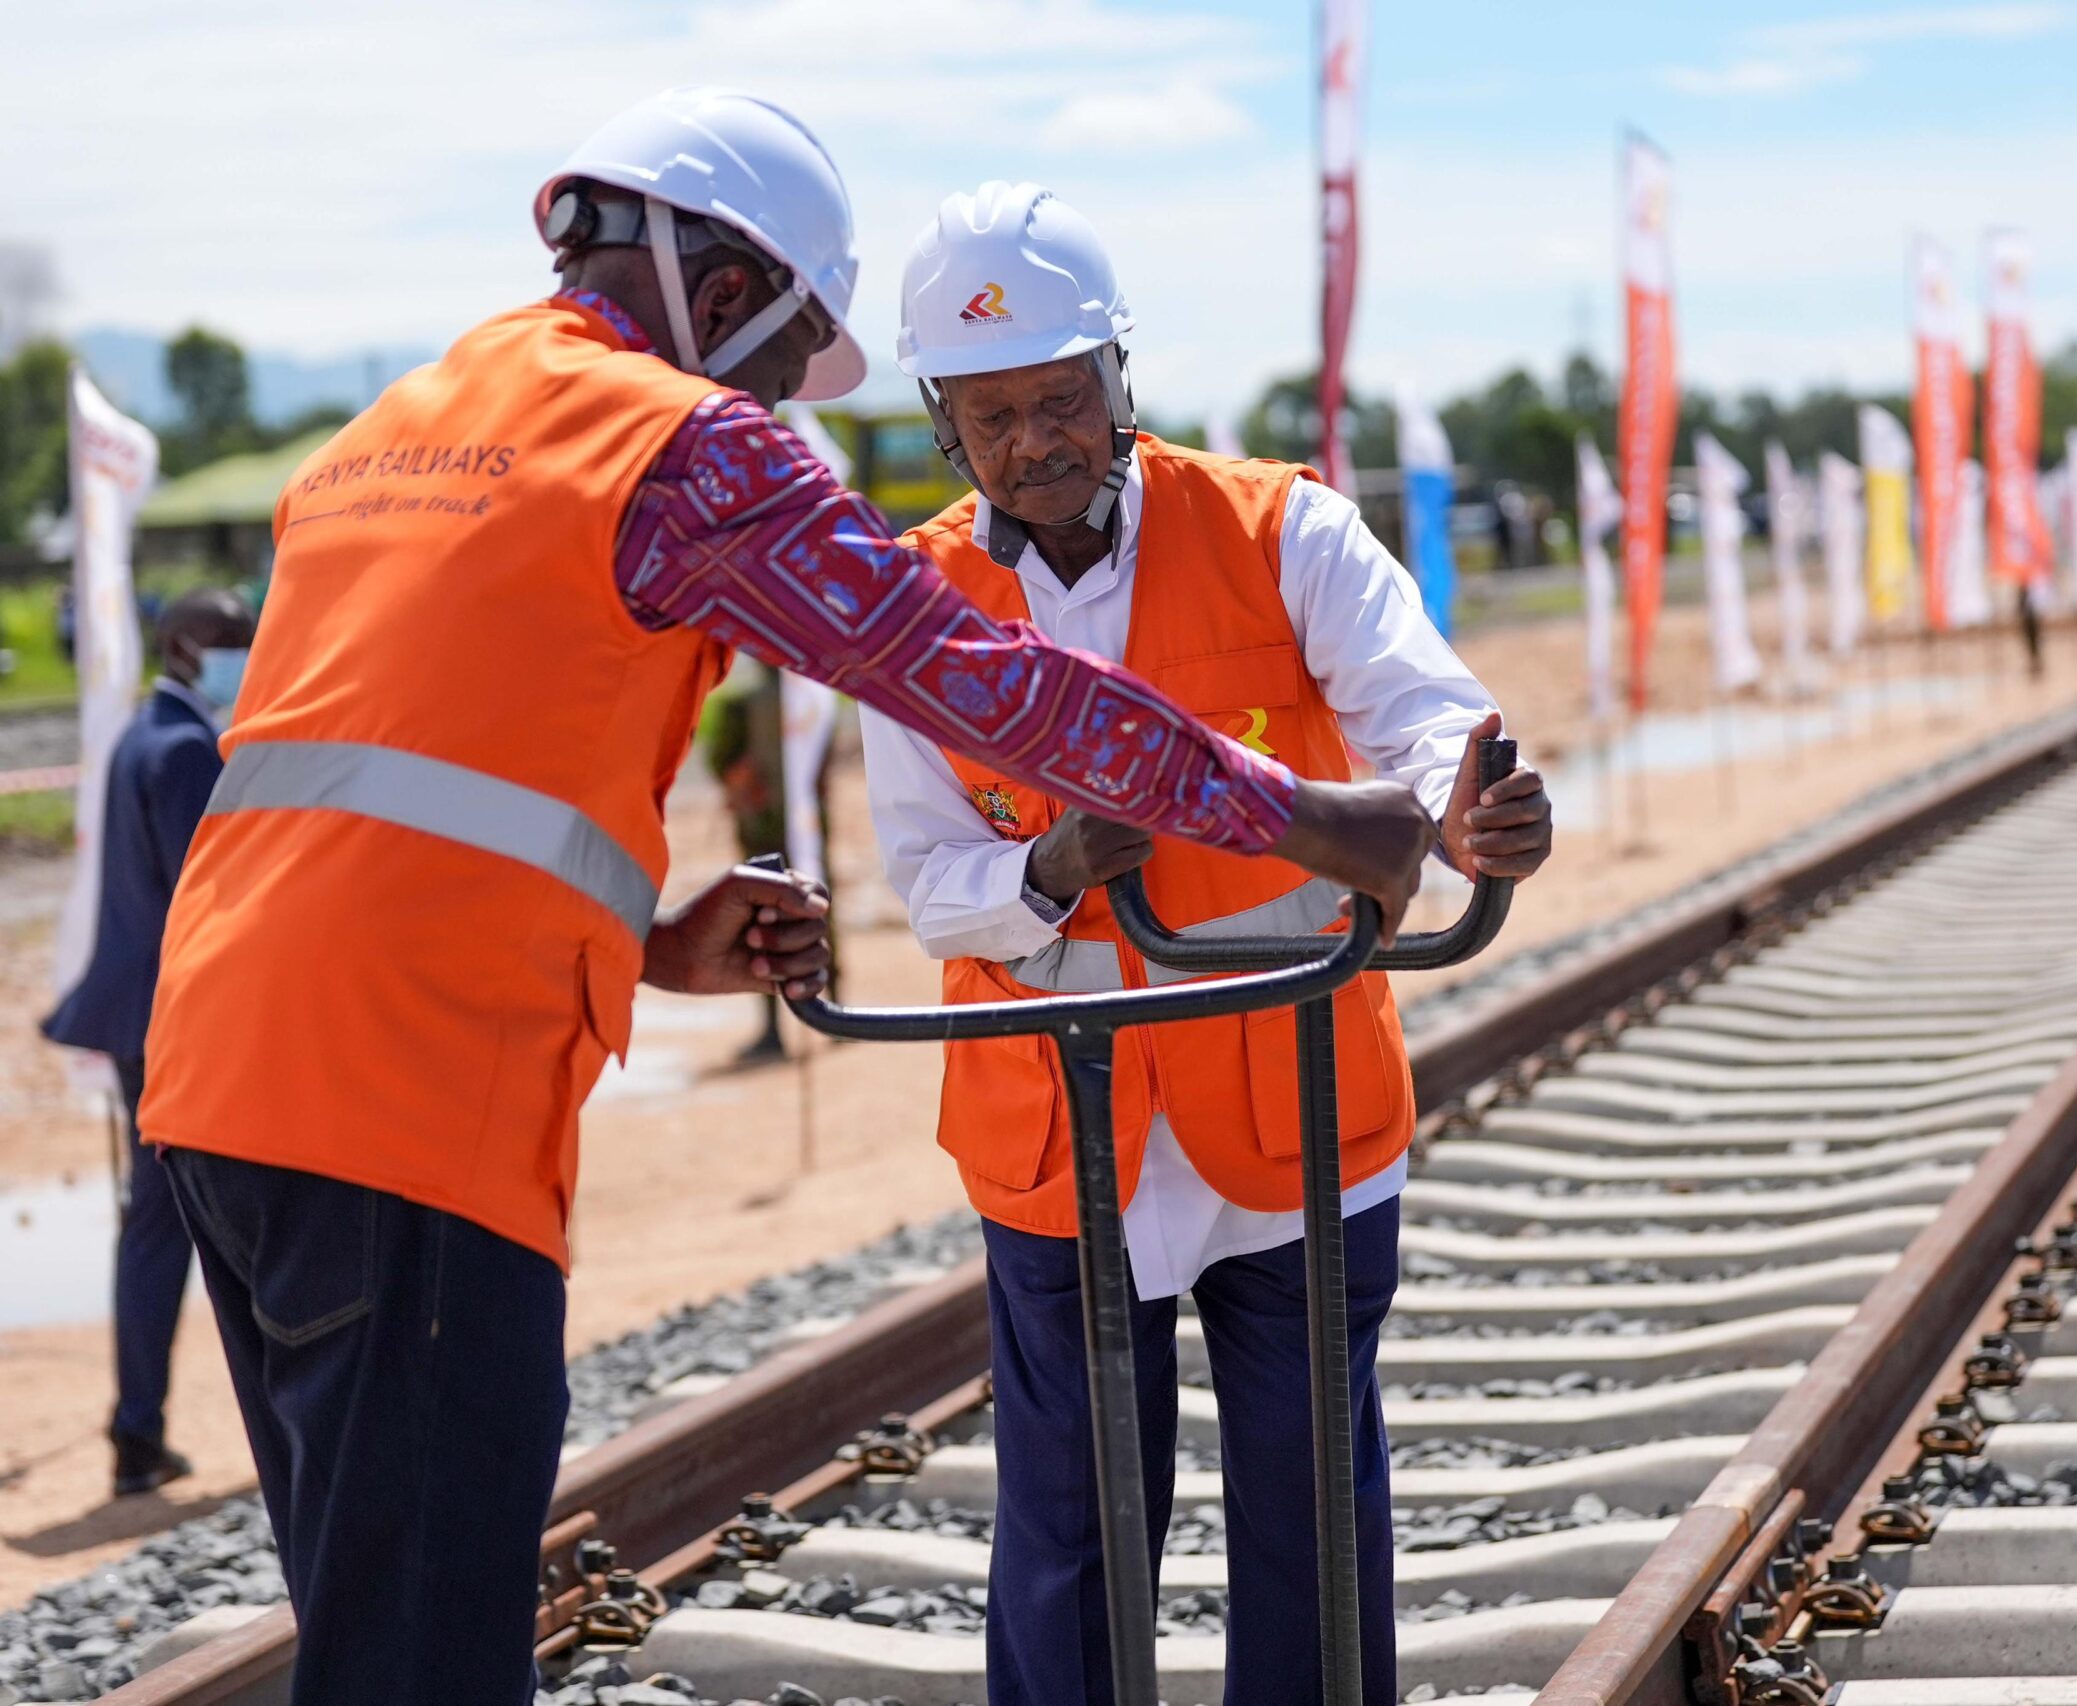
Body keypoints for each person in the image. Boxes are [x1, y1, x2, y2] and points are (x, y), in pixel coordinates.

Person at [137, 92, 1436, 1706]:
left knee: (372, 1621)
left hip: (225, 1086)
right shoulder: (675, 442)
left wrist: (644, 941)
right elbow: (984, 684)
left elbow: (382, 788)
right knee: (429, 1658)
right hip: (403, 1105)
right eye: (781, 363)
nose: (771, 407)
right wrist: (1306, 816)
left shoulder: (399, 428)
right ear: (730, 291)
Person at [863, 182, 1555, 1705]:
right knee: (1069, 1528)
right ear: (944, 425)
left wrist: (1469, 812)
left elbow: (1426, 715)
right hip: (1068, 1136)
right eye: (993, 414)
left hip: (1293, 1111)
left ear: (1119, 376)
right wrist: (1043, 870)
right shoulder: (911, 606)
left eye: (1061, 396)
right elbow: (926, 881)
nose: (1035, 440)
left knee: (1311, 1514)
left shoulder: (1282, 529)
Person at [40, 586, 254, 1498]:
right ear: (182, 647)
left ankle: (139, 1430)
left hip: (139, 1018)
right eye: (231, 639)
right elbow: (218, 897)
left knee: (158, 1224)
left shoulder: (142, 733)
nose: (245, 653)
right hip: (179, 1024)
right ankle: (141, 1431)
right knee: (190, 1223)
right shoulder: (186, 750)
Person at [697, 658, 829, 1064]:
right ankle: (835, 1010)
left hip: (761, 829)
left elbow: (720, 758)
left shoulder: (740, 704)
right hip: (806, 827)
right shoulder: (813, 703)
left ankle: (774, 1029)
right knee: (818, 908)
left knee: (764, 922)